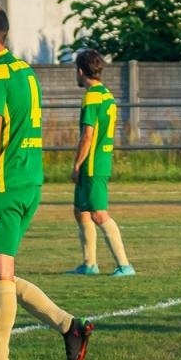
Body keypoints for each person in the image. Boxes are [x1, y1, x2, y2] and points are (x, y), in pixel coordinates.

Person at [0, 2, 94, 360]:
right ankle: (69, 327)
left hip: (4, 184)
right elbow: (10, 136)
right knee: (0, 276)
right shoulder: (25, 72)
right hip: (29, 181)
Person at [65, 49, 135, 277]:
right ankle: (89, 264)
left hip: (93, 163)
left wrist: (77, 165)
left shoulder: (92, 97)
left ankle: (125, 265)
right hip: (101, 159)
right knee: (81, 211)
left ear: (79, 71)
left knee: (98, 213)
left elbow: (87, 135)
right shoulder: (107, 95)